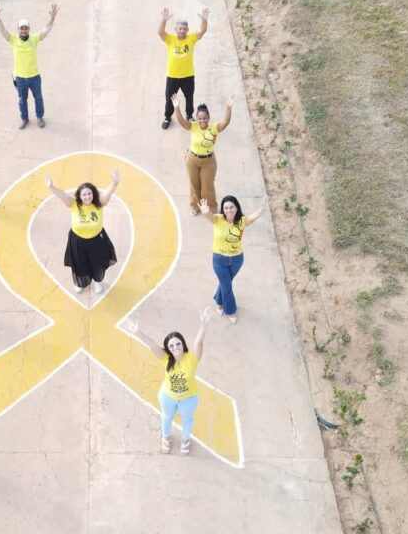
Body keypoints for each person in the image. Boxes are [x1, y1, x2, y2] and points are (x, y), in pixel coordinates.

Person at [122, 307, 211, 456]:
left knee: (187, 420)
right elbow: (152, 345)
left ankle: (185, 440)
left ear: (183, 344)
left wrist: (203, 325)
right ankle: (166, 437)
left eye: (178, 343)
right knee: (167, 417)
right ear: (168, 348)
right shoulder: (166, 358)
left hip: (188, 398)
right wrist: (137, 332)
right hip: (168, 397)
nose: (175, 347)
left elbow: (198, 342)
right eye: (171, 345)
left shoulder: (192, 358)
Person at [45, 169, 120, 295]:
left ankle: (98, 281)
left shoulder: (99, 203)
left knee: (98, 262)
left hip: (97, 240)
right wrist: (51, 187)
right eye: (84, 194)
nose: (87, 197)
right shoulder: (74, 203)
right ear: (79, 196)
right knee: (80, 263)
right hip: (78, 240)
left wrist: (114, 183)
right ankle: (81, 283)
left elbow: (107, 193)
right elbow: (62, 195)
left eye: (89, 193)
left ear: (93, 194)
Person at [198, 194, 270, 324]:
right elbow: (210, 216)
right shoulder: (218, 219)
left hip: (237, 259)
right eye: (226, 208)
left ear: (236, 208)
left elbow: (252, 218)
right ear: (223, 209)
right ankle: (231, 311)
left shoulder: (241, 221)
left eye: (231, 207)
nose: (229, 210)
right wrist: (205, 212)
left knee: (225, 283)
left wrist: (262, 209)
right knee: (227, 287)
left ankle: (219, 302)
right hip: (220, 260)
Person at [0, 2, 59, 129]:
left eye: (26, 28)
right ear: (18, 29)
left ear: (29, 29)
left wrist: (52, 18)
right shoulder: (14, 39)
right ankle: (24, 119)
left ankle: (39, 117)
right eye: (21, 28)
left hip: (34, 76)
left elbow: (46, 31)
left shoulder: (34, 39)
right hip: (20, 78)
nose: (23, 30)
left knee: (38, 98)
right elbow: (3, 31)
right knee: (22, 100)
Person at [172, 93, 234, 215]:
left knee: (207, 186)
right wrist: (176, 107)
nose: (202, 120)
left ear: (208, 118)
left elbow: (226, 122)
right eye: (200, 118)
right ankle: (195, 207)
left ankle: (212, 207)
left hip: (208, 161)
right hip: (192, 159)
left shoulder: (214, 127)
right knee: (194, 185)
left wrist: (228, 108)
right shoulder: (193, 126)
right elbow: (182, 121)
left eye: (205, 118)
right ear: (196, 118)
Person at [158, 7, 209, 129]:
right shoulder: (170, 39)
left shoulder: (191, 38)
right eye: (180, 28)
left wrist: (204, 20)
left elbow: (202, 31)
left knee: (189, 97)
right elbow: (160, 32)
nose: (182, 31)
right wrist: (164, 20)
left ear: (187, 30)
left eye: (184, 29)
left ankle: (189, 115)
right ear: (176, 29)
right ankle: (167, 117)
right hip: (172, 76)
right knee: (170, 98)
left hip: (188, 76)